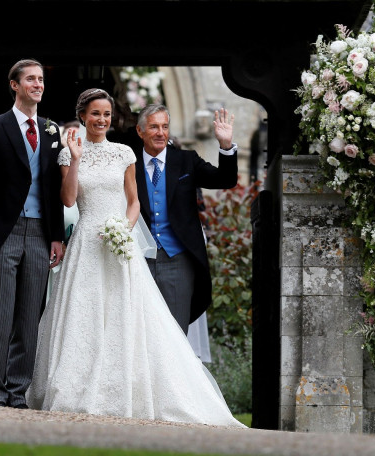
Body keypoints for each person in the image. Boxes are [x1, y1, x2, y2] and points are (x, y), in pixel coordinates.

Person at [27, 88, 244, 427]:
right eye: (96, 114)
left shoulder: (153, 157)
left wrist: (123, 230)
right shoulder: (84, 154)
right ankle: (85, 390)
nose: (101, 120)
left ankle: (150, 393)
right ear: (84, 115)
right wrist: (76, 157)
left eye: (107, 115)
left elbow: (139, 202)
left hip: (140, 250)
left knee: (150, 326)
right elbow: (69, 200)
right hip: (91, 244)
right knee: (89, 318)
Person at [0, 59, 64, 408]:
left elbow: (52, 190)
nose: (38, 84)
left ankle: (17, 392)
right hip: (1, 233)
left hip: (40, 233)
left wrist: (56, 236)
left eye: (41, 79)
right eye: (31, 79)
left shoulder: (51, 131)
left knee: (28, 320)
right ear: (14, 85)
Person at [135, 104, 238, 333]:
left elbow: (225, 179)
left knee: (174, 334)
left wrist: (225, 145)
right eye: (154, 127)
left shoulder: (186, 160)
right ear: (140, 131)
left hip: (177, 260)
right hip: (138, 260)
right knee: (139, 333)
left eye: (165, 126)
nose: (161, 133)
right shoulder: (128, 162)